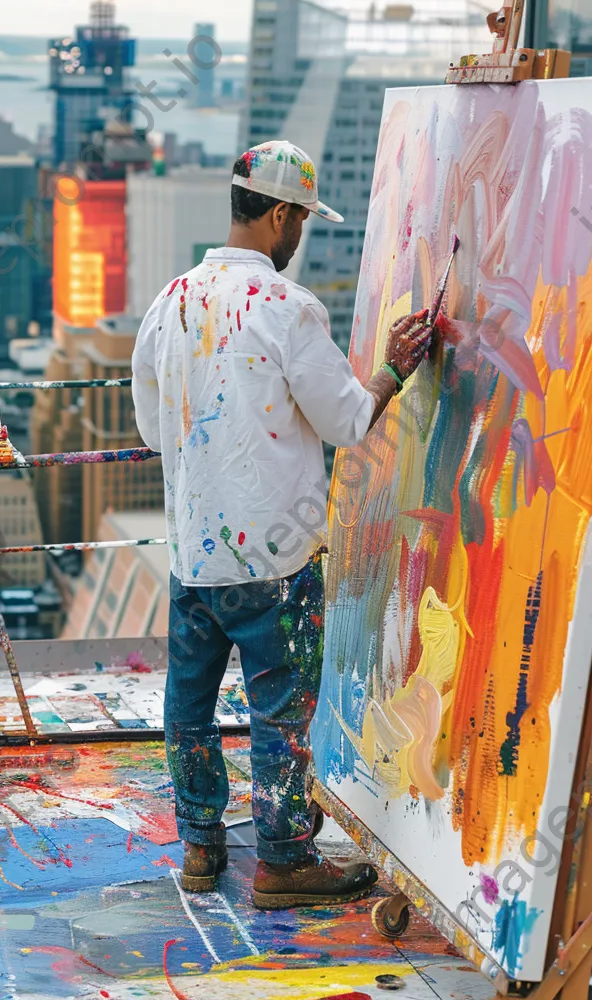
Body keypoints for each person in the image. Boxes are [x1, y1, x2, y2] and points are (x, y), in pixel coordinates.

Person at [131, 140, 432, 908]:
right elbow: (350, 419)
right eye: (298, 218)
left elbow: (154, 432)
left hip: (195, 555)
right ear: (277, 214)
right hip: (275, 560)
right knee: (280, 709)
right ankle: (285, 859)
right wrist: (393, 368)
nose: (299, 233)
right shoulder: (288, 309)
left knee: (188, 707)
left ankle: (200, 849)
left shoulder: (168, 302)